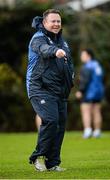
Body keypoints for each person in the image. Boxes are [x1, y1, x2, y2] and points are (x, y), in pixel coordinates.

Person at [26, 9, 74, 171]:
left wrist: (71, 80)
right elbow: (44, 49)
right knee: (51, 120)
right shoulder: (38, 38)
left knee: (60, 125)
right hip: (39, 87)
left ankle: (52, 163)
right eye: (53, 21)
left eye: (58, 21)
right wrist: (55, 51)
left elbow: (69, 64)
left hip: (59, 90)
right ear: (44, 23)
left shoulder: (62, 41)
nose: (56, 24)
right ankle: (38, 158)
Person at [75, 48, 104, 139]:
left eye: (83, 55)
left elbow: (85, 81)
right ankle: (97, 131)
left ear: (88, 56)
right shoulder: (97, 65)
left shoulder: (87, 66)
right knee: (97, 111)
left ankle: (87, 131)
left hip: (89, 92)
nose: (81, 57)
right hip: (98, 92)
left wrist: (80, 91)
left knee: (85, 111)